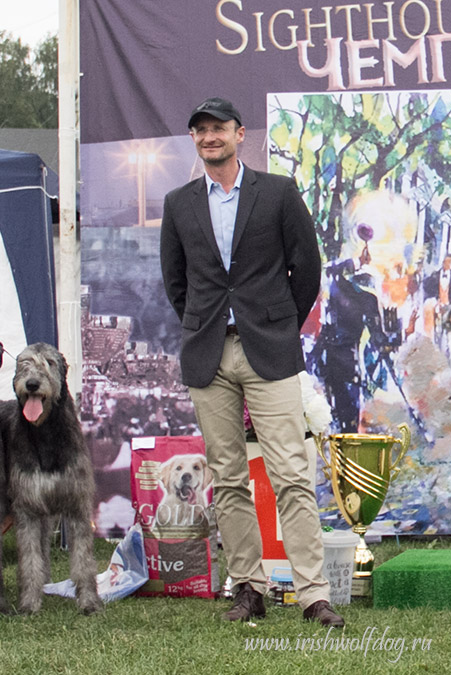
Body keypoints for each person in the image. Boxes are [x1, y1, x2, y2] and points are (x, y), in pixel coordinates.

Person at [159, 97, 344, 627]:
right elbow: (177, 283)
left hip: (269, 348)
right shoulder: (178, 203)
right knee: (229, 478)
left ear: (241, 134)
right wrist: (204, 326)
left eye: (219, 128)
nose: (209, 136)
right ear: (194, 139)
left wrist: (279, 323)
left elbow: (305, 268)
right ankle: (248, 589)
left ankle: (314, 595)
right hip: (209, 354)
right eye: (200, 130)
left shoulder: (279, 193)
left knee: (291, 473)